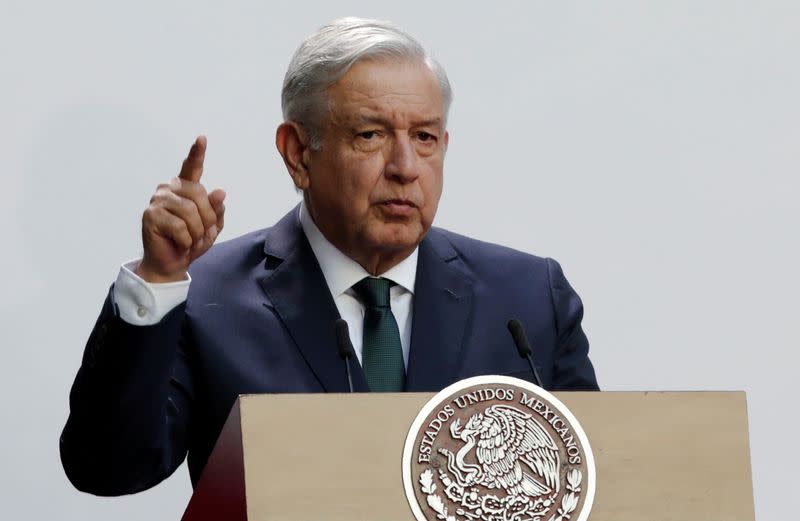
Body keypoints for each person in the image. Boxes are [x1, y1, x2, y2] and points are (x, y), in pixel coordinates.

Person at [60, 17, 598, 496]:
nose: (406, 166)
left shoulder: (527, 300)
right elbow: (109, 469)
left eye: (426, 137)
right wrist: (158, 280)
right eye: (371, 135)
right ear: (299, 154)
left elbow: (597, 484)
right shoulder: (207, 301)